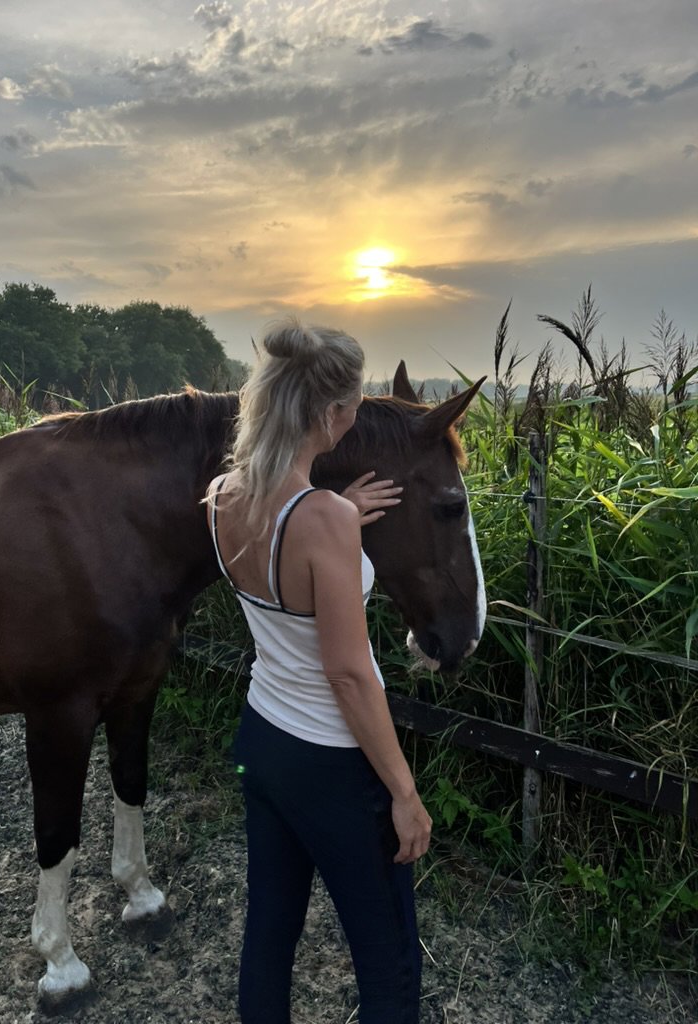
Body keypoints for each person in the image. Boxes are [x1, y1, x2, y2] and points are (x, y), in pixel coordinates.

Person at [206, 318, 432, 1024]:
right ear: (333, 414)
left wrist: (341, 520)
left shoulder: (221, 497)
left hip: (264, 739)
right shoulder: (322, 519)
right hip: (334, 765)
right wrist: (403, 790)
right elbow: (349, 674)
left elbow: (287, 562)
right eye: (355, 403)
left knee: (270, 932)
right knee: (390, 971)